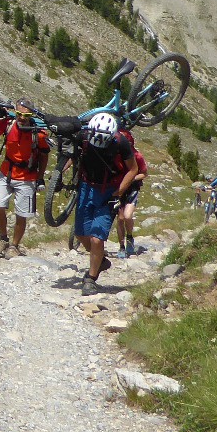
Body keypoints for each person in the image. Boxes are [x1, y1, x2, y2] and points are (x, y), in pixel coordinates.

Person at [73, 112, 140, 295]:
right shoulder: (83, 136)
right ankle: (100, 259)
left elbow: (133, 169)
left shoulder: (121, 142)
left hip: (109, 191)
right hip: (87, 188)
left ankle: (91, 279)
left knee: (97, 237)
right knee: (80, 233)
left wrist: (119, 191)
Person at [0, 100, 49, 258]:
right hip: (6, 173)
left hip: (27, 177)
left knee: (21, 214)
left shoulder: (38, 133)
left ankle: (14, 245)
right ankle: (3, 239)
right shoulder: (9, 124)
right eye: (19, 114)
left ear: (31, 115)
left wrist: (40, 178)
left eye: (25, 115)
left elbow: (44, 157)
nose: (21, 118)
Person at [115, 145, 149, 257]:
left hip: (132, 189)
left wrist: (131, 178)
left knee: (127, 216)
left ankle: (129, 237)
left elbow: (144, 173)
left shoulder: (137, 156)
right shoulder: (115, 155)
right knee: (120, 218)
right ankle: (121, 247)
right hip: (118, 189)